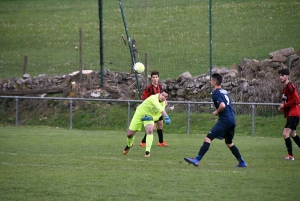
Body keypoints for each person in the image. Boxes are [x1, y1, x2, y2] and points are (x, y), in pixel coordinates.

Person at [184, 73, 247, 167]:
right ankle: (242, 162)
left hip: (225, 120)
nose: (210, 82)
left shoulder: (216, 93)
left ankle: (197, 160)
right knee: (229, 143)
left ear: (214, 82)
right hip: (232, 119)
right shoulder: (225, 92)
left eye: (211, 80)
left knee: (208, 138)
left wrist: (216, 112)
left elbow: (222, 105)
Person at [122, 89, 171, 157]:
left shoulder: (163, 104)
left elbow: (157, 116)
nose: (163, 97)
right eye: (162, 95)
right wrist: (166, 116)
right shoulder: (153, 97)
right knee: (129, 135)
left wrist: (150, 118)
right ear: (159, 93)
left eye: (165, 97)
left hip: (149, 117)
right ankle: (129, 145)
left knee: (150, 130)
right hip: (139, 114)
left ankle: (147, 152)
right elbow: (159, 108)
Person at [139, 71, 169, 147]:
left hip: (159, 109)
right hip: (152, 110)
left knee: (161, 125)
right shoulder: (149, 88)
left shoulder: (160, 86)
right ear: (151, 78)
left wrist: (165, 101)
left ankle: (161, 142)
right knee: (153, 127)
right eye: (153, 77)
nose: (155, 79)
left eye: (156, 77)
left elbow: (163, 96)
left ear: (158, 78)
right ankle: (143, 142)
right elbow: (143, 98)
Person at [278, 68, 300, 160]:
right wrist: (283, 107)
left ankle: (290, 155)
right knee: (293, 134)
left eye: (282, 75)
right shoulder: (285, 87)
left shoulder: (290, 86)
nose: (280, 77)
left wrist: (285, 105)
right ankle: (290, 155)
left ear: (287, 76)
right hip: (292, 113)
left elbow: (296, 100)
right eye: (280, 75)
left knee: (285, 133)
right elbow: (289, 100)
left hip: (294, 113)